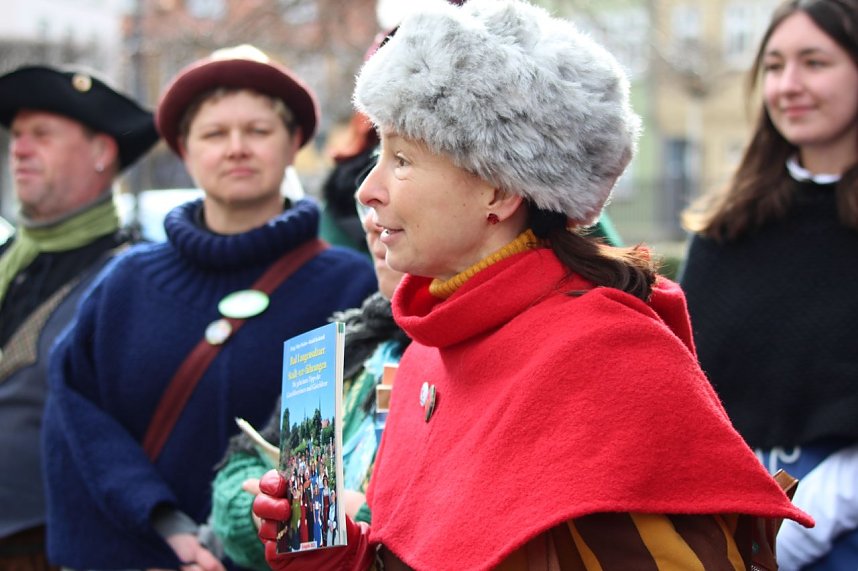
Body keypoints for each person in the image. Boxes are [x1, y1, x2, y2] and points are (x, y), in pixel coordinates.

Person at [251, 1, 812, 569]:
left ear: (499, 191)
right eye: (379, 153)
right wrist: (339, 555)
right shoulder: (431, 345)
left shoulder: (606, 353)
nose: (368, 190)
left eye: (402, 159)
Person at [40, 45, 377, 570]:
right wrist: (163, 527)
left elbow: (344, 457)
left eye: (258, 131)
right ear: (185, 151)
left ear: (293, 144)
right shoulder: (126, 282)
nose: (237, 148)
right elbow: (77, 418)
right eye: (214, 133)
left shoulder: (353, 286)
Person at [678, 0, 858, 568]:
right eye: (775, 66)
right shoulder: (726, 229)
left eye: (815, 62)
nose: (790, 85)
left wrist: (832, 501)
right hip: (732, 510)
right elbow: (687, 383)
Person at [0, 64, 159, 571]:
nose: (19, 149)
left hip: (46, 548)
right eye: (17, 136)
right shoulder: (9, 259)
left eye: (42, 135)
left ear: (100, 152)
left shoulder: (136, 277)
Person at [209, 197, 409, 570]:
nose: (370, 218)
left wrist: (357, 516)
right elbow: (238, 475)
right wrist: (270, 514)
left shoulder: (482, 355)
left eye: (403, 165)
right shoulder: (345, 346)